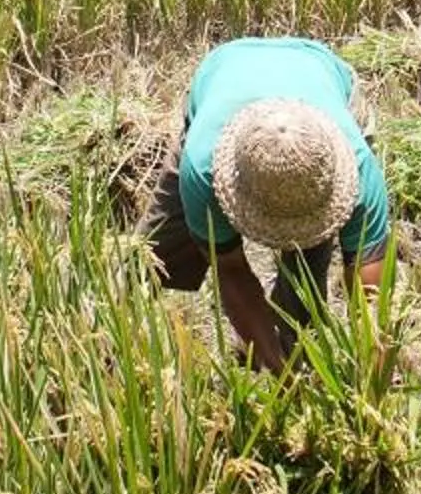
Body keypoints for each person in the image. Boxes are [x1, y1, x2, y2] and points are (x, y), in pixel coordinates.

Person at [140, 36, 393, 369]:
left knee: (305, 272)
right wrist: (279, 371)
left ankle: (293, 342)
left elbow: (371, 305)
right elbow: (231, 269)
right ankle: (114, 334)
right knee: (151, 253)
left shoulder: (359, 173)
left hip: (318, 68)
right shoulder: (202, 165)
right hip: (226, 69)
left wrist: (373, 381)